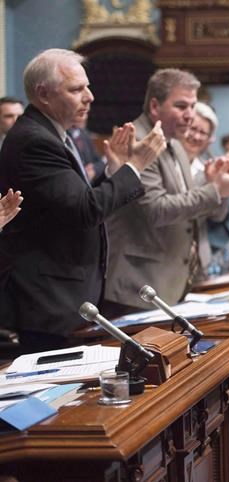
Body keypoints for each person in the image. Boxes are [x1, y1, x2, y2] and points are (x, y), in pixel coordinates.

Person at [0, 49, 165, 352]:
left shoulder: (53, 134)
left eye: (87, 87)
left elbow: (77, 201)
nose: (89, 97)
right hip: (48, 302)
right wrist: (135, 167)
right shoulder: (35, 140)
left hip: (64, 296)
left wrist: (114, 171)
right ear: (44, 94)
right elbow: (85, 211)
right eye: (76, 89)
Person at [103, 69, 229, 316]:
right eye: (181, 106)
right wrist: (215, 190)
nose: (190, 114)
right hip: (140, 285)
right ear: (154, 106)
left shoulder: (175, 144)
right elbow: (156, 210)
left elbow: (195, 211)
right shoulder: (137, 141)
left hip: (174, 281)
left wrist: (220, 188)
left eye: (192, 106)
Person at [180, 101, 229, 276]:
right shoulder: (165, 163)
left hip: (201, 255)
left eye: (203, 132)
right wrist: (216, 187)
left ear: (209, 139)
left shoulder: (207, 165)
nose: (196, 136)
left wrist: (227, 186)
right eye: (192, 129)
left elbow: (218, 214)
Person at [68, 114, 105, 182]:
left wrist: (94, 169)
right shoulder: (65, 136)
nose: (85, 117)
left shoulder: (84, 133)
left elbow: (100, 161)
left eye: (86, 113)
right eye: (81, 113)